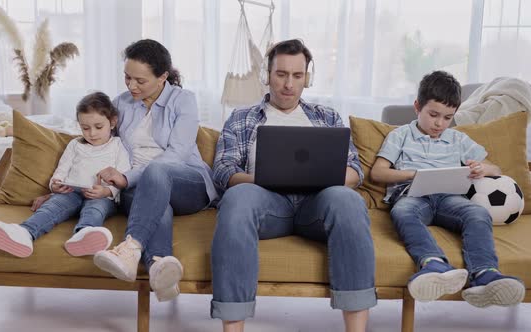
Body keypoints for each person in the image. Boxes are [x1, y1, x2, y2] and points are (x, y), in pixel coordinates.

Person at [211, 39, 376, 332]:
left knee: (349, 200)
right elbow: (224, 171)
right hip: (267, 205)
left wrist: (320, 177)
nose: (288, 84)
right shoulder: (241, 117)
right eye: (281, 74)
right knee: (237, 198)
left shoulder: (327, 117)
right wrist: (266, 178)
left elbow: (354, 171)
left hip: (317, 206)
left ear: (306, 78)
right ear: (268, 75)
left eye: (297, 76)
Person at [371, 70, 526, 307]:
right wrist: (415, 174)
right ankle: (433, 264)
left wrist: (481, 168)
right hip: (412, 195)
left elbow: (495, 168)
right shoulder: (400, 135)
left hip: (449, 198)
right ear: (417, 107)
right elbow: (378, 172)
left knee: (477, 213)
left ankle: (484, 274)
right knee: (403, 212)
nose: (439, 123)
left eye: (447, 117)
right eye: (433, 115)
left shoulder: (457, 139)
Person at [93, 39, 218, 302]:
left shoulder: (184, 101)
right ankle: (159, 269)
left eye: (140, 80)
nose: (131, 86)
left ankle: (130, 247)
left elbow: (177, 154)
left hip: (186, 180)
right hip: (140, 189)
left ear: (163, 77)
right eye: (127, 77)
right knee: (158, 201)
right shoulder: (121, 104)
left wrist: (127, 177)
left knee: (157, 172)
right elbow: (100, 144)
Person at [0, 92, 130, 258]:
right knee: (51, 208)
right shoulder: (75, 145)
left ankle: (84, 235)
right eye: (85, 128)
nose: (92, 133)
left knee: (95, 210)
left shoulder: (118, 146)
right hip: (70, 191)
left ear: (112, 122)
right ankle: (23, 233)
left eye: (98, 127)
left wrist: (107, 192)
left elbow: (123, 176)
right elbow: (62, 169)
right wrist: (55, 184)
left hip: (100, 196)